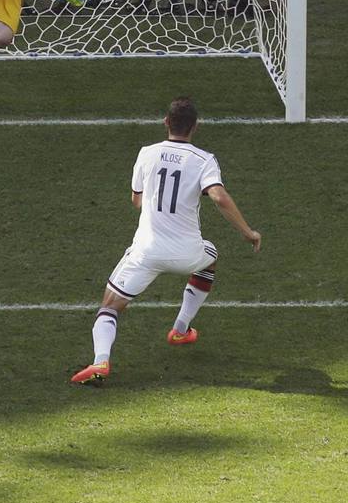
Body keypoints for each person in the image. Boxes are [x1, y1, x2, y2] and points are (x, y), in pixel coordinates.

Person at [71, 97, 262, 385]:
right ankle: (181, 329)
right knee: (210, 257)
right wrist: (248, 232)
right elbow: (219, 196)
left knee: (109, 307)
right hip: (188, 253)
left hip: (146, 252)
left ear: (166, 122)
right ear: (195, 126)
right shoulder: (204, 160)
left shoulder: (147, 153)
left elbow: (137, 201)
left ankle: (100, 361)